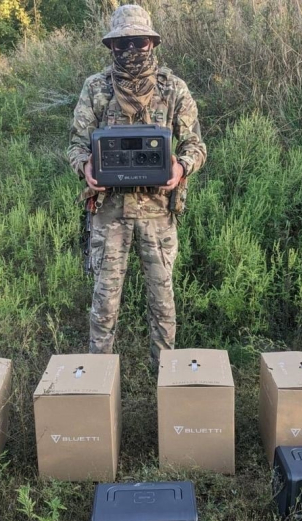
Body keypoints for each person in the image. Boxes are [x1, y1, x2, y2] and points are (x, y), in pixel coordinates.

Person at [68, 4, 206, 368]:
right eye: (123, 43)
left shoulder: (172, 88)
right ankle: (99, 382)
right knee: (104, 302)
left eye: (139, 42)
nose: (132, 50)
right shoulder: (96, 88)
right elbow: (76, 144)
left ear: (152, 43)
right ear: (112, 46)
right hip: (108, 212)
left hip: (158, 214)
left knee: (162, 300)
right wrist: (85, 166)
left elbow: (196, 145)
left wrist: (181, 167)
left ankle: (166, 380)